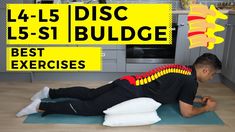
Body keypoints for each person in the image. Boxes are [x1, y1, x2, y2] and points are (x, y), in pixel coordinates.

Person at [16, 53, 221, 118]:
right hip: (130, 90)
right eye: (211, 74)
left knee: (89, 94)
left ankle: (49, 92)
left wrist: (195, 99)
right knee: (90, 108)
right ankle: (40, 106)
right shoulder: (189, 81)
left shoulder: (184, 70)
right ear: (204, 70)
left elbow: (177, 94)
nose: (210, 78)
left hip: (127, 81)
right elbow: (186, 113)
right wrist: (205, 108)